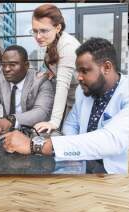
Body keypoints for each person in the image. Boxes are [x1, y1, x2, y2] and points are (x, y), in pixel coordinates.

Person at [2, 38, 129, 174]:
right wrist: (73, 154)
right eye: (78, 71)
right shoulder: (82, 91)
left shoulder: (128, 94)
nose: (79, 77)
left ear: (106, 67)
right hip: (81, 161)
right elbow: (71, 124)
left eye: (84, 71)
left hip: (112, 171)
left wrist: (37, 145)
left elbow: (111, 140)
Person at [0, 45, 54, 138]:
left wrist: (10, 120)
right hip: (7, 132)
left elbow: (41, 112)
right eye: (3, 65)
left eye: (12, 65)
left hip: (34, 134)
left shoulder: (41, 81)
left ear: (26, 65)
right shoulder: (0, 79)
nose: (6, 69)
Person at [31, 4, 81, 133]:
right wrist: (51, 72)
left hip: (82, 101)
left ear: (57, 27)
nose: (38, 36)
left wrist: (54, 121)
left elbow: (62, 85)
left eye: (43, 30)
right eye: (35, 31)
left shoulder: (68, 45)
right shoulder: (52, 41)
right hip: (70, 100)